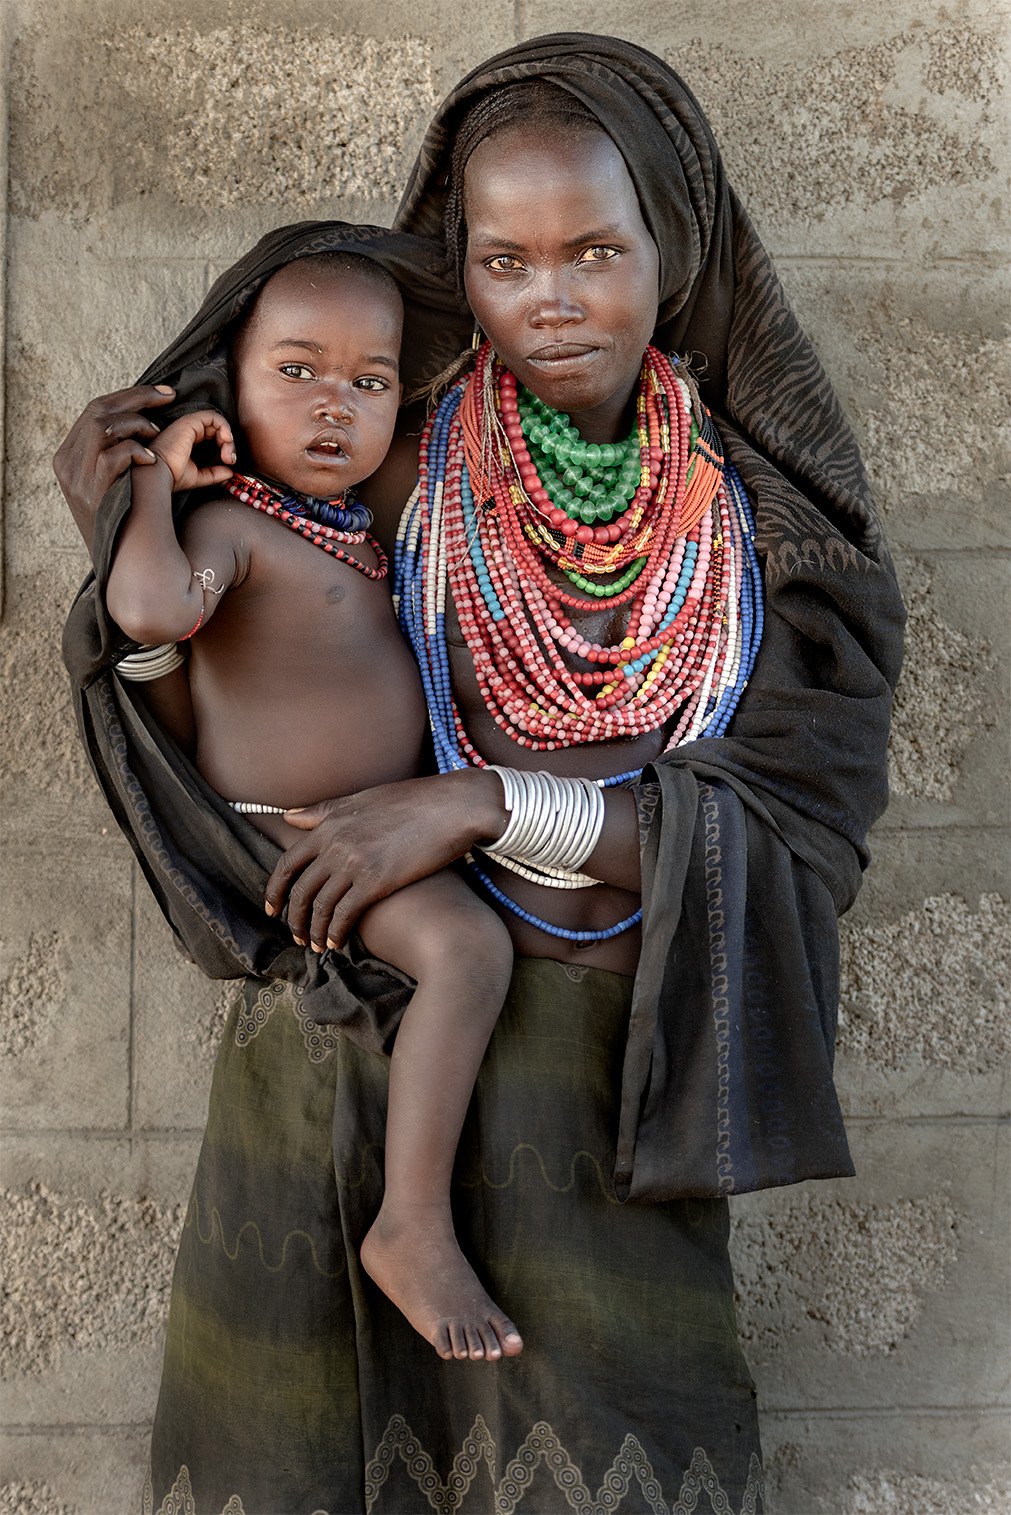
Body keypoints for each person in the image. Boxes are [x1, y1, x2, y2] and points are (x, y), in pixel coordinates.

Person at [55, 34, 904, 1515]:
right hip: (339, 1068)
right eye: (502, 261)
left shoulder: (773, 530)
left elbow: (788, 829)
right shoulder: (388, 452)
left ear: (676, 245)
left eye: (593, 247)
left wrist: (479, 801)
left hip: (600, 1109)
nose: (551, 297)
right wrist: (121, 499)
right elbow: (192, 656)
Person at [102, 247, 523, 1364]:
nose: (335, 405)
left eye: (371, 381)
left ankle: (417, 1212)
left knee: (485, 940)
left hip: (378, 830)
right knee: (470, 951)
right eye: (296, 371)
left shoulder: (372, 533)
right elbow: (145, 612)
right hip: (285, 835)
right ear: (225, 390)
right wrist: (153, 475)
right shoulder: (236, 530)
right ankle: (412, 1224)